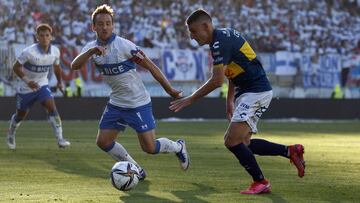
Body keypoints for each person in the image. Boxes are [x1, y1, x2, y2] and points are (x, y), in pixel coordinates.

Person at [170, 9, 305, 194]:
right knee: (244, 143)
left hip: (255, 91)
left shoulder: (219, 43)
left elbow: (217, 81)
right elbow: (233, 72)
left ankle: (261, 182)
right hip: (250, 91)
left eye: (193, 31)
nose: (192, 37)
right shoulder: (222, 38)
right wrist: (229, 101)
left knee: (231, 140)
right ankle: (290, 151)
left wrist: (190, 99)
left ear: (205, 26)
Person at [70, 4, 190, 180]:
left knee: (149, 148)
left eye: (108, 23)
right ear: (93, 27)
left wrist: (169, 89)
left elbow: (150, 65)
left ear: (113, 25)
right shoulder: (91, 48)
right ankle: (136, 169)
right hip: (116, 103)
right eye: (100, 24)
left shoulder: (124, 46)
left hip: (137, 102)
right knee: (103, 141)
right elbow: (75, 66)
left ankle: (178, 147)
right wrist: (90, 51)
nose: (105, 27)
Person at [6, 23, 71, 150]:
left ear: (51, 37)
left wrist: (59, 82)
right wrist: (27, 80)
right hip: (25, 87)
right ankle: (11, 133)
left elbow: (57, 67)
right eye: (41, 36)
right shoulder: (29, 52)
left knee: (51, 107)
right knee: (20, 115)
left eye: (47, 35)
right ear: (37, 37)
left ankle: (60, 139)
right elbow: (15, 67)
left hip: (42, 84)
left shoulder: (55, 51)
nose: (45, 38)